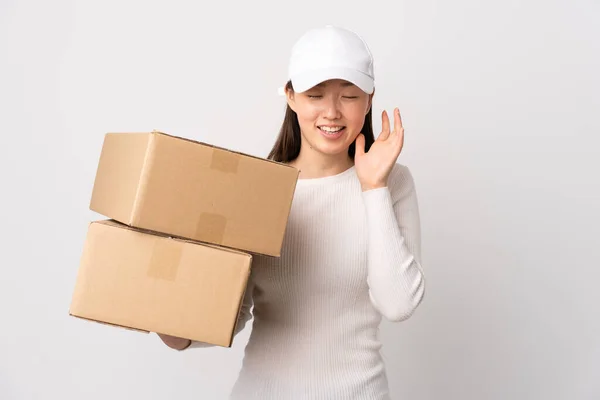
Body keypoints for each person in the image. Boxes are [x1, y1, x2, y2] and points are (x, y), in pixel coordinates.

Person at [158, 25, 426, 400]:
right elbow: (231, 316)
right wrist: (167, 318)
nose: (332, 112)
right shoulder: (258, 188)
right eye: (315, 95)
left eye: (349, 95)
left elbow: (397, 303)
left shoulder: (393, 184)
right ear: (290, 96)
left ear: (369, 100)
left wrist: (373, 187)